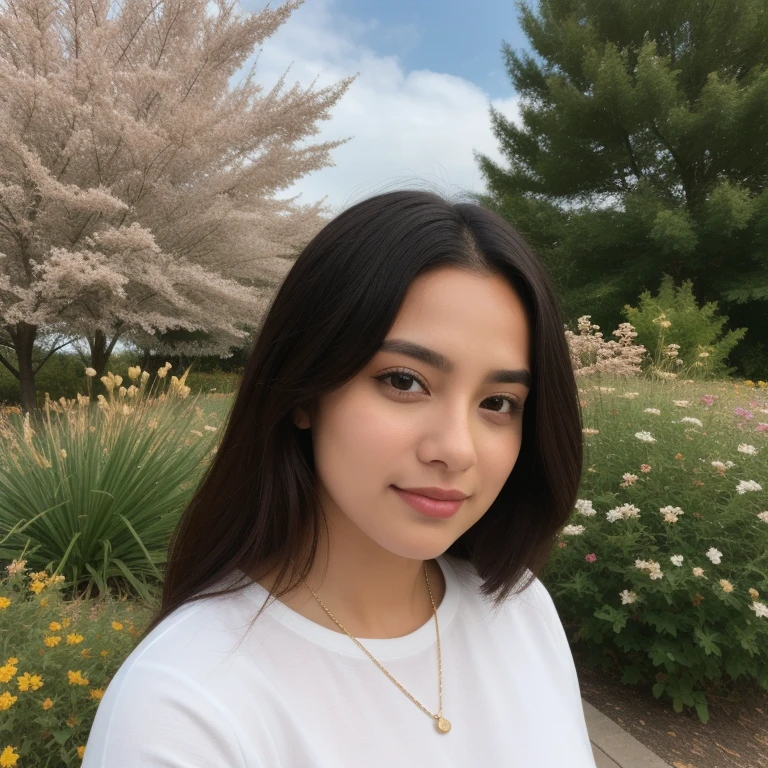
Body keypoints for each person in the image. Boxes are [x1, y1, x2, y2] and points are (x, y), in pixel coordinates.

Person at [81, 189, 596, 767]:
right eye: (404, 381)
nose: (455, 449)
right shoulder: (184, 708)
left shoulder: (519, 610)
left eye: (499, 402)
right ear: (305, 391)